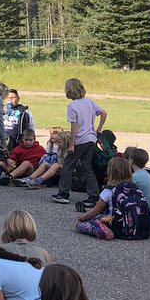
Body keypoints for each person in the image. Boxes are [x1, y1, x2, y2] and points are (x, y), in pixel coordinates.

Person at [51, 78, 107, 206]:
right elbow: (103, 113)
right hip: (91, 139)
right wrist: (98, 129)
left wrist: (72, 143)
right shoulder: (90, 102)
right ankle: (94, 195)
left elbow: (74, 126)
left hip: (80, 140)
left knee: (68, 165)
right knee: (88, 167)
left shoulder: (72, 106)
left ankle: (63, 193)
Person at [76, 156, 138, 241]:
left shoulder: (108, 191)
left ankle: (104, 230)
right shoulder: (133, 187)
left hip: (117, 224)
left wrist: (82, 217)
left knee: (82, 225)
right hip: (134, 223)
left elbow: (95, 211)